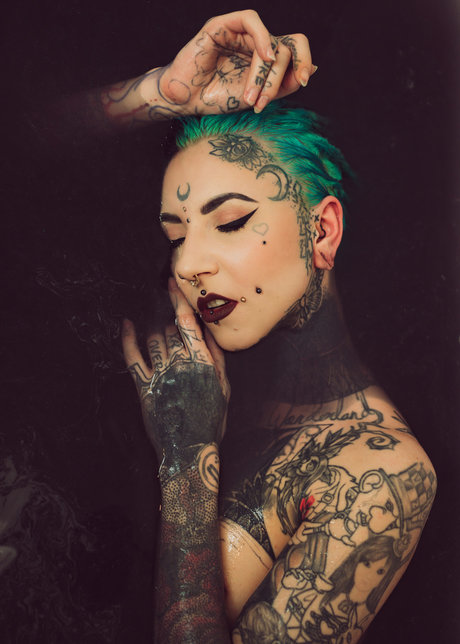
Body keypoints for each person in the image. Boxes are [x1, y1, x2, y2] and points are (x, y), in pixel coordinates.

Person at [37, 9, 436, 643]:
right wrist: (163, 92)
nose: (187, 264)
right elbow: (19, 147)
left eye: (229, 222)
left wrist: (186, 456)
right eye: (176, 235)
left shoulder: (379, 473)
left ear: (323, 231)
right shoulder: (184, 367)